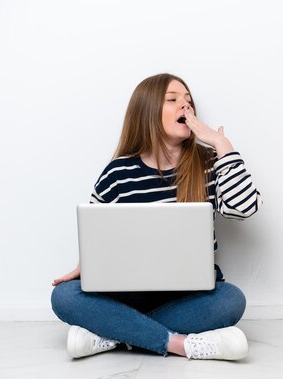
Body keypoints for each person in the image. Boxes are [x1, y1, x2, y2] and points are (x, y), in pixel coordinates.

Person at [51, 73, 262, 360]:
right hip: (128, 295)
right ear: (147, 112)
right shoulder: (118, 172)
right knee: (63, 296)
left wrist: (221, 144)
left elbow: (245, 207)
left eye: (189, 102)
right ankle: (180, 344)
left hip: (188, 296)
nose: (185, 108)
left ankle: (114, 334)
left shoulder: (209, 164)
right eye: (173, 100)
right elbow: (97, 233)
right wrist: (87, 264)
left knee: (231, 301)